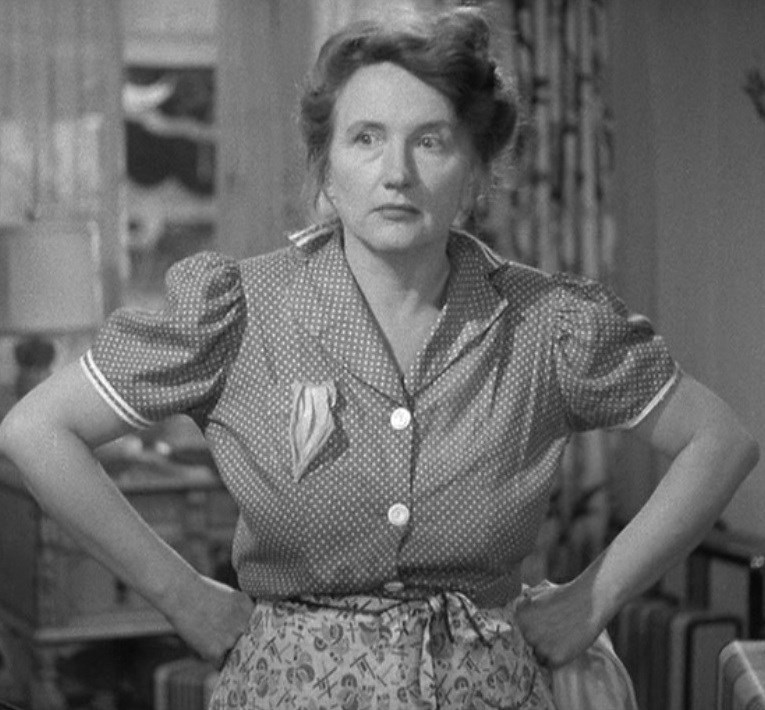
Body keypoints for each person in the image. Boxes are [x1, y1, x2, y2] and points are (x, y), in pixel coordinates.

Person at [0, 7, 758, 709]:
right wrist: (180, 593)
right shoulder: (241, 310)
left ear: (475, 170)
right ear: (325, 168)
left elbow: (719, 442)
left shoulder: (546, 324)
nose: (397, 172)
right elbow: (36, 431)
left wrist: (593, 598)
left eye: (430, 141)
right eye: (365, 138)